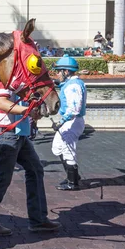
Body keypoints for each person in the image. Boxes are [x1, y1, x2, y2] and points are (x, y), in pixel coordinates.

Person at [0, 81, 61, 236]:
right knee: (0, 179)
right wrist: (28, 110)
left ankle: (38, 220)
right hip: (6, 134)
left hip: (18, 133)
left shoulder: (15, 79)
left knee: (35, 170)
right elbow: (2, 103)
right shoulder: (1, 78)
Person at [50, 56, 87, 191]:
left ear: (66, 72)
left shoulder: (73, 86)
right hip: (71, 121)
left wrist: (61, 122)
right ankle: (73, 177)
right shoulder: (72, 83)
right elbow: (62, 85)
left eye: (59, 71)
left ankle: (73, 182)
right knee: (58, 147)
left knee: (68, 150)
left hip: (72, 121)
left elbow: (74, 108)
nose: (57, 74)